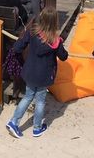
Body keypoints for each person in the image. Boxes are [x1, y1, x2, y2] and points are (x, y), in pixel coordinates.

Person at [6, 8, 68, 139]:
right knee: (40, 101)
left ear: (42, 18)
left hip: (29, 71)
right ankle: (37, 128)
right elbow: (64, 57)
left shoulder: (32, 32)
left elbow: (17, 47)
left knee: (28, 96)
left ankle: (14, 121)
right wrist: (60, 46)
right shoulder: (56, 41)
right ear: (55, 22)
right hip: (44, 76)